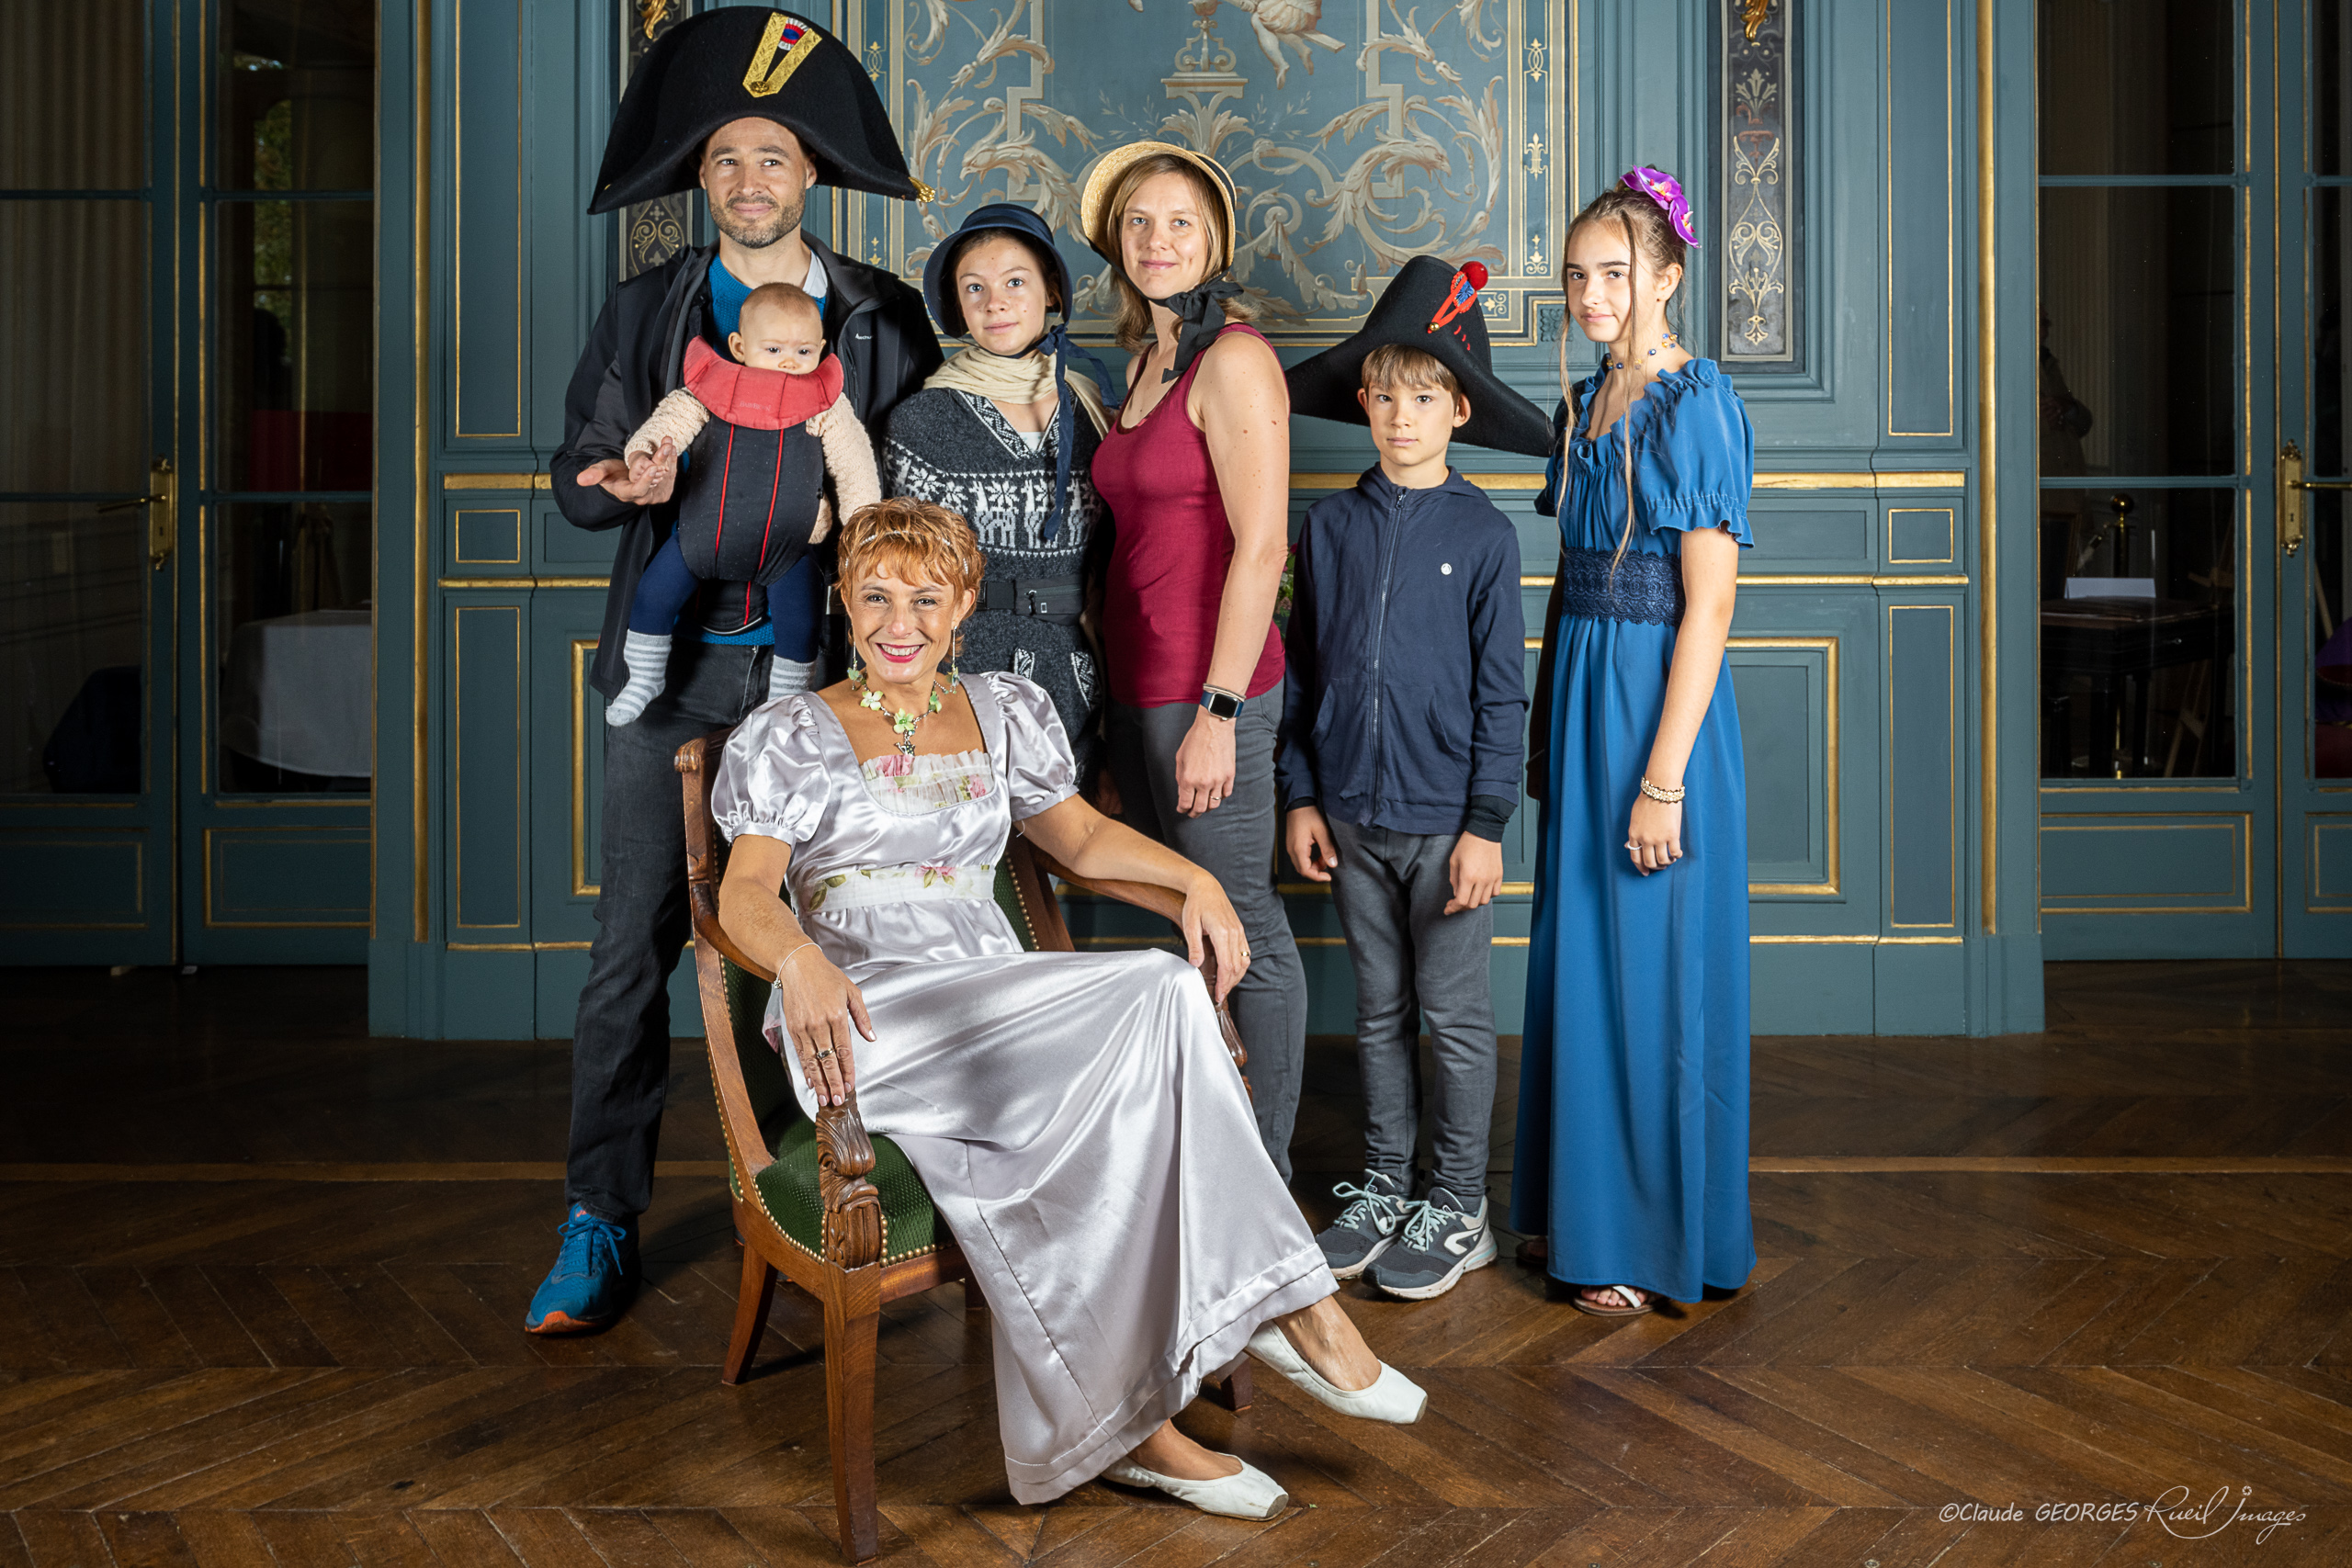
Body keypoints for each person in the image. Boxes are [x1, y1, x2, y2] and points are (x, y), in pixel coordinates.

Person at [714, 497, 1428, 1517]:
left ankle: (1137, 1431)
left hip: (999, 1009)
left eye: (925, 598)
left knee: (1133, 1058)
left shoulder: (1002, 708)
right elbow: (743, 894)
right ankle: (1288, 1302)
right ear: (844, 601)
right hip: (868, 1019)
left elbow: (1082, 840)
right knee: (1160, 989)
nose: (899, 623)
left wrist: (1195, 883)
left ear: (965, 604)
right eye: (875, 597)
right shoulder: (793, 733)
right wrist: (797, 960)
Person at [530, 7, 941, 1335]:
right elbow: (576, 476)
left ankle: (831, 1206)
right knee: (627, 953)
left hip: (819, 689)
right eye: (725, 161)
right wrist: (617, 480)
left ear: (811, 172)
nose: (749, 180)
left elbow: (909, 489)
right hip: (668, 685)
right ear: (700, 180)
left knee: (827, 942)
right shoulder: (647, 309)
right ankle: (598, 1219)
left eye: (773, 157)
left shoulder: (880, 317)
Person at [1276, 255, 1547, 1300]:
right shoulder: (1328, 528)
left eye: (1424, 398)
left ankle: (1458, 1201)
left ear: (1459, 412)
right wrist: (1302, 793)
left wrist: (1485, 825)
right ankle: (1387, 1183)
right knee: (1379, 1014)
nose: (1401, 416)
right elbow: (1302, 673)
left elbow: (1502, 697)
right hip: (1349, 813)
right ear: (1363, 403)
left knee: (1455, 1019)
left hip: (1446, 825)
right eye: (1385, 396)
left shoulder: (1484, 536)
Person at [1512, 167, 1758, 1318]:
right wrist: (1543, 732)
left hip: (1659, 710)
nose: (1591, 294)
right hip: (1580, 695)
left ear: (1665, 278)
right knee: (1583, 960)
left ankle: (1652, 1238)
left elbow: (1710, 605)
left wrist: (1662, 781)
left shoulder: (1695, 404)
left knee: (1650, 971)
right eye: (1576, 276)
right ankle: (1584, 1216)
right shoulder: (1582, 401)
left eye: (1615, 273)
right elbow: (1571, 585)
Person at [1082, 142, 1308, 1179]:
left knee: (1239, 921)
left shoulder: (1236, 359)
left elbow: (1262, 546)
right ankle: (1203, 1159)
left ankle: (1262, 1182)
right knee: (1182, 920)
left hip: (1209, 691)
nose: (1157, 240)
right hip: (1137, 689)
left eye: (1179, 222)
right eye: (1138, 222)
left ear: (1214, 240)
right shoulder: (1143, 366)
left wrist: (1220, 713)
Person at [881, 203, 1117, 781]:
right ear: (958, 305)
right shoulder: (923, 421)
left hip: (1078, 672)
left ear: (1051, 291)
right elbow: (899, 576)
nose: (996, 303)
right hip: (962, 674)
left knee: (1076, 830)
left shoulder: (1095, 410)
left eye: (1015, 282)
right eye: (975, 288)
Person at [605, 281, 882, 726]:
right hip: (702, 536)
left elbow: (855, 466)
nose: (789, 362)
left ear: (821, 349)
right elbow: (666, 424)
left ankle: (787, 700)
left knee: (800, 621)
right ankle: (643, 676)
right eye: (773, 349)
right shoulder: (709, 390)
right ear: (739, 346)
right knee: (652, 595)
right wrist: (644, 456)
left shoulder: (825, 404)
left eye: (803, 351)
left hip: (788, 545)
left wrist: (864, 527)